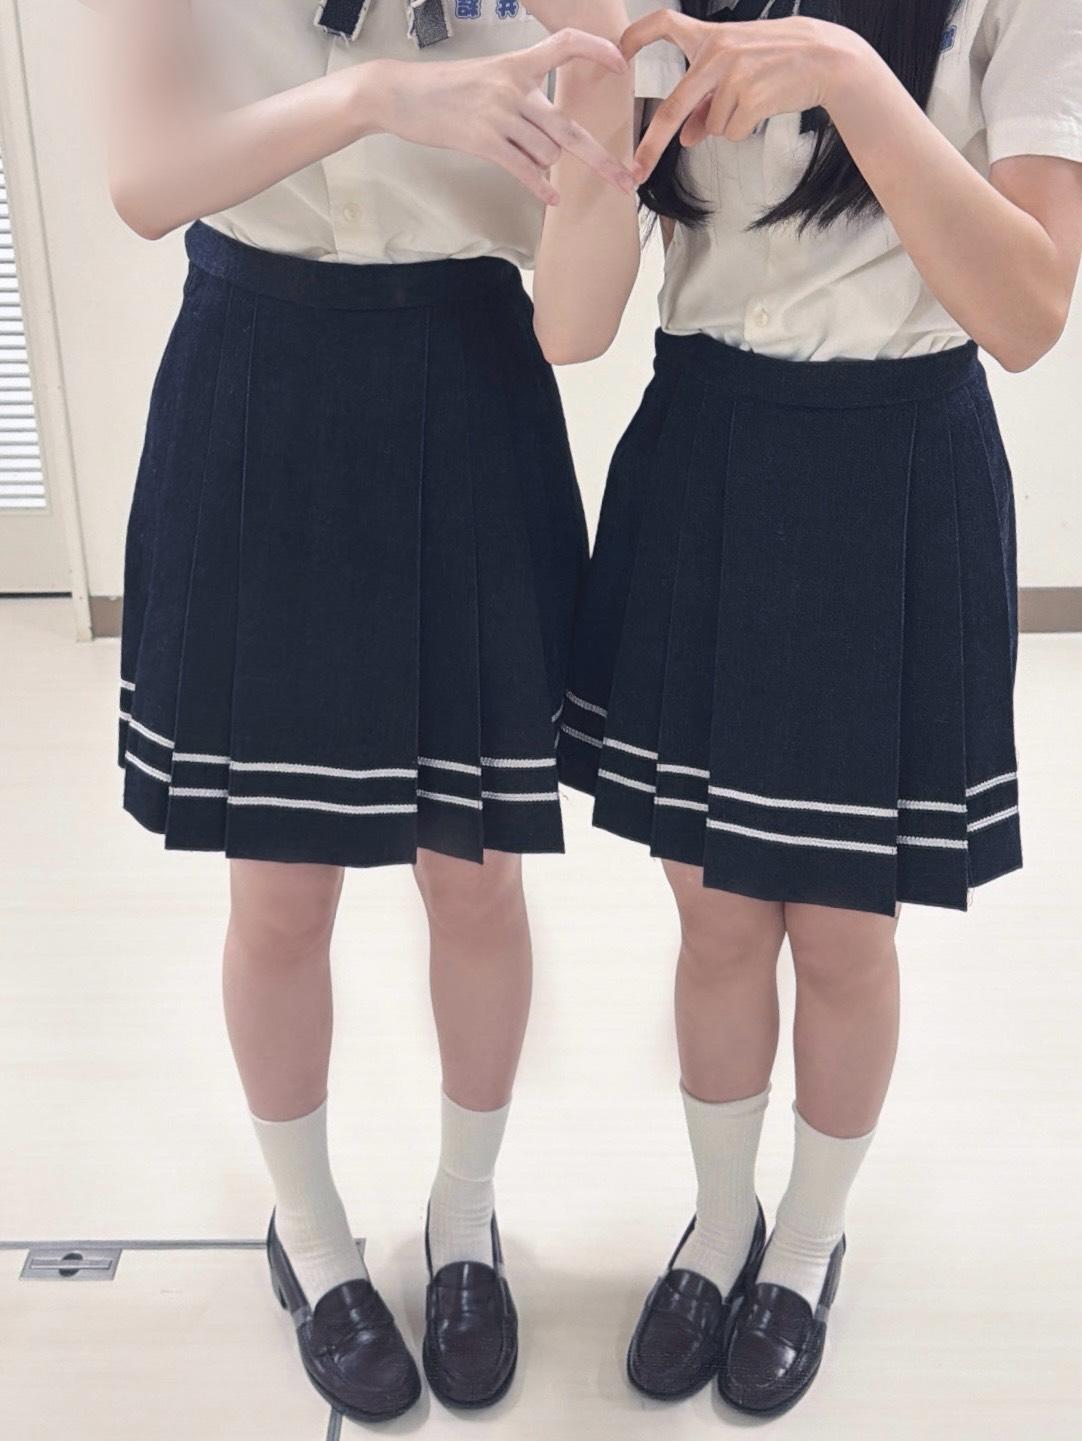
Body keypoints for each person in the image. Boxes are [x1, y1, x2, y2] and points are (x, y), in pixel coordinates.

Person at [98, 0, 672, 1421]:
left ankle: (465, 1217)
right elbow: (145, 185)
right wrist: (372, 100)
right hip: (257, 375)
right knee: (278, 890)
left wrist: (608, 87)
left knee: (473, 878)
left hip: (468, 380)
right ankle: (308, 1235)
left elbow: (577, 318)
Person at [554, 0, 1082, 1417]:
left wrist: (847, 69)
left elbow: (1029, 310)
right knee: (716, 915)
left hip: (895, 455)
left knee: (845, 930)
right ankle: (719, 1221)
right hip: (705, 447)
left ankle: (805, 1239)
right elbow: (580, 306)